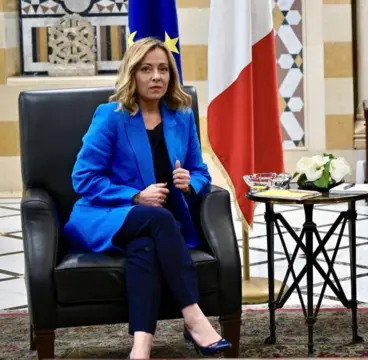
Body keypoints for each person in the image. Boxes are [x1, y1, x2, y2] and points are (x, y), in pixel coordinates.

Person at [63, 37, 230, 359]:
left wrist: (189, 183)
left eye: (163, 69)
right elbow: (83, 178)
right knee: (156, 218)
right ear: (132, 74)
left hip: (158, 226)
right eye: (147, 69)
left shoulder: (181, 116)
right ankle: (194, 317)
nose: (157, 77)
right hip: (106, 215)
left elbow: (200, 171)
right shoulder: (111, 116)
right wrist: (136, 196)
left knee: (145, 247)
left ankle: (141, 345)